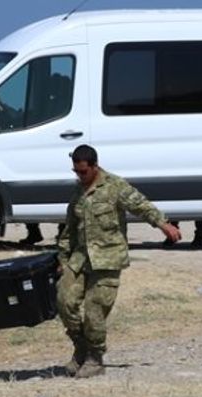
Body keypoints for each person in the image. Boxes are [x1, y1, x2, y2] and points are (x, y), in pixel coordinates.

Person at [57, 145, 181, 378]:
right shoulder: (78, 191)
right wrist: (63, 258)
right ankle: (81, 347)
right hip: (80, 258)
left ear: (95, 166)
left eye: (83, 172)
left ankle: (95, 358)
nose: (79, 176)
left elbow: (141, 205)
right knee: (64, 300)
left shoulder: (115, 186)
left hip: (108, 258)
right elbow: (70, 229)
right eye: (75, 171)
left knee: (94, 310)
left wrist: (164, 225)